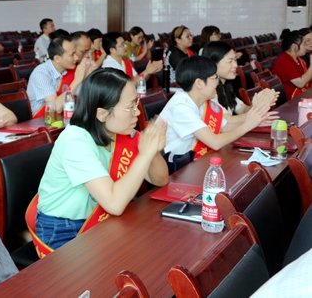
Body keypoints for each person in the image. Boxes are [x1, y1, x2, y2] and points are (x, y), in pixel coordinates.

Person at [36, 69, 169, 250]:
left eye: (136, 103)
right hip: (64, 228)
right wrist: (145, 154)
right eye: (130, 107)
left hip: (103, 221)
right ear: (102, 114)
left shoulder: (120, 132)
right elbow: (115, 204)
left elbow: (160, 179)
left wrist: (152, 149)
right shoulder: (75, 141)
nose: (137, 112)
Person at [158, 56, 272, 173]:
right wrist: (247, 125)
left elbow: (224, 127)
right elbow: (215, 142)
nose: (217, 83)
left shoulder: (201, 99)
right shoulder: (181, 107)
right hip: (176, 169)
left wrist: (255, 122)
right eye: (214, 78)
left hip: (194, 162)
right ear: (199, 83)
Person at [201, 41, 278, 116]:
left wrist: (259, 104)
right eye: (230, 61)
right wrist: (256, 112)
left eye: (235, 60)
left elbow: (242, 110)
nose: (235, 65)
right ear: (213, 64)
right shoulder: (209, 90)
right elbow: (226, 121)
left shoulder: (226, 85)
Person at [27, 35, 93, 117]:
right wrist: (77, 80)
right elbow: (55, 108)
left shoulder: (70, 70)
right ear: (57, 58)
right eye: (72, 55)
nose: (76, 58)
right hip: (41, 120)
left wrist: (88, 78)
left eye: (75, 53)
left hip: (63, 117)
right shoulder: (41, 73)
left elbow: (83, 99)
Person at [272, 29, 312, 100]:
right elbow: (300, 83)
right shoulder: (284, 61)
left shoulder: (297, 59)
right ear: (294, 46)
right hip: (291, 101)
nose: (306, 47)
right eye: (304, 44)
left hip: (301, 95)